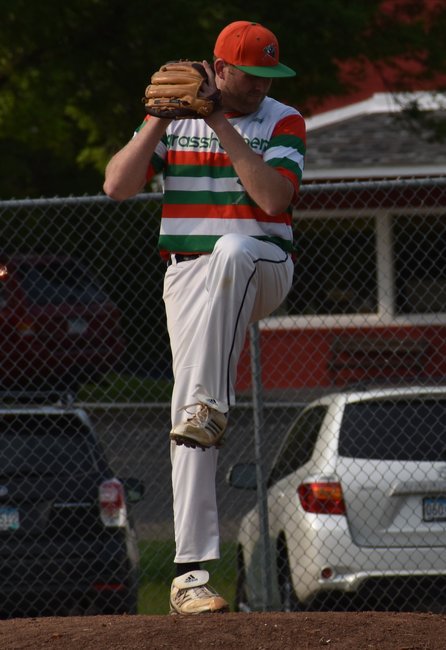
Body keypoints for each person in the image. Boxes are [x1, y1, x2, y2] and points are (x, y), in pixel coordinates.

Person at [103, 20, 306, 615]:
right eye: (251, 74)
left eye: (270, 74)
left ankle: (212, 400)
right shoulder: (176, 119)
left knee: (233, 249)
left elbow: (273, 199)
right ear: (220, 70)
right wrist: (157, 119)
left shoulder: (283, 120)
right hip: (187, 276)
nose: (262, 85)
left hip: (262, 264)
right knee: (188, 416)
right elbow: (117, 186)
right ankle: (189, 577)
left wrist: (219, 121)